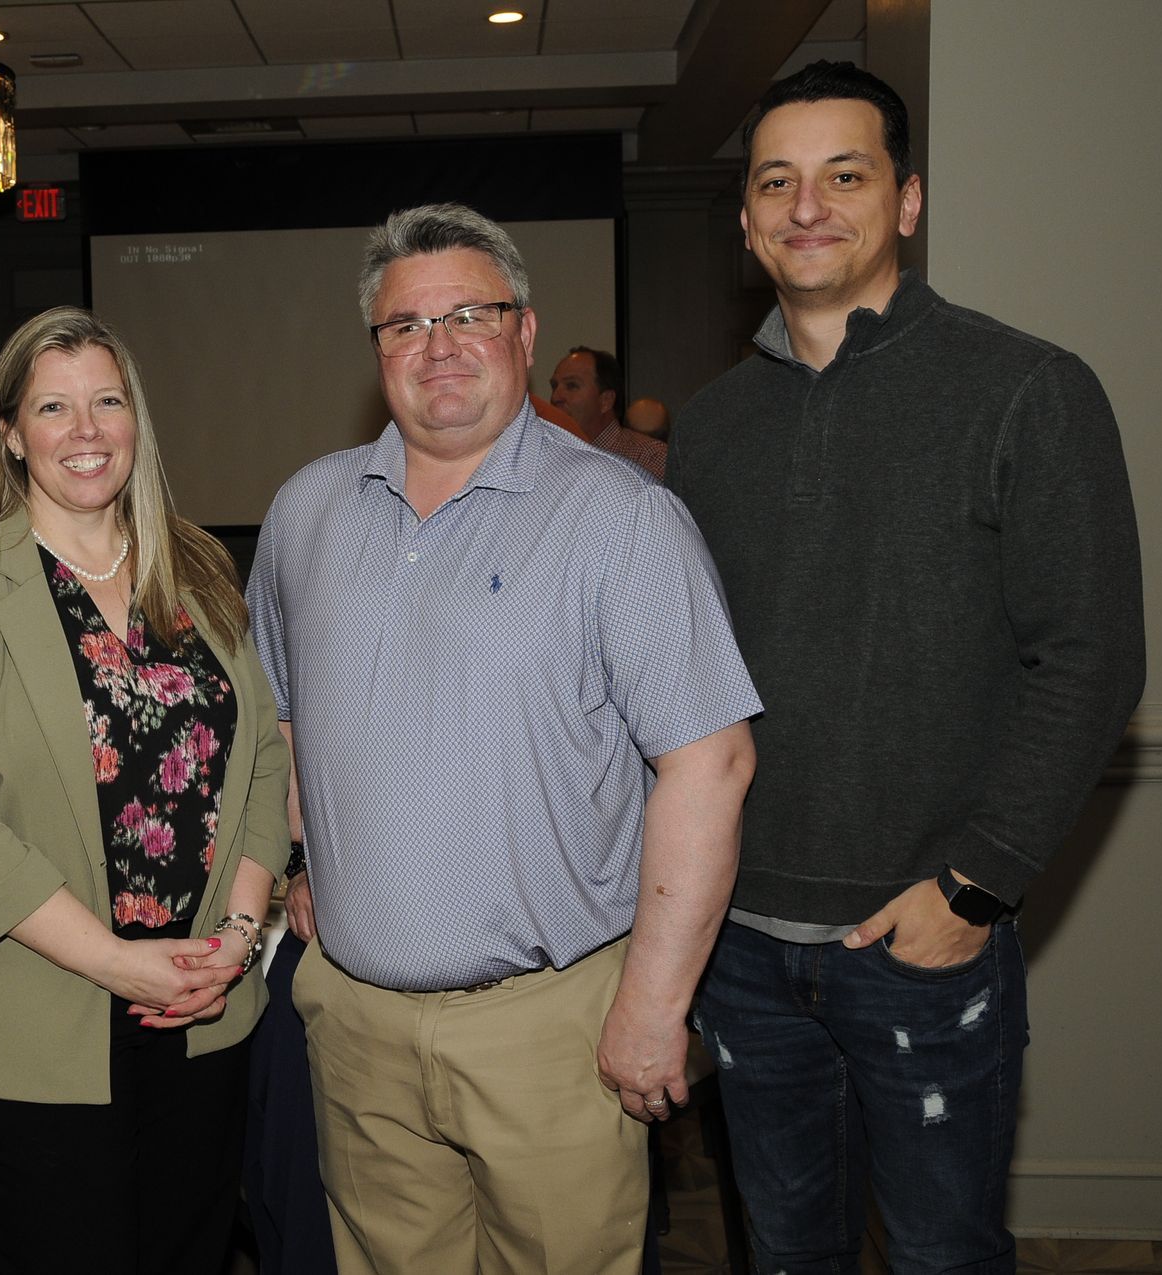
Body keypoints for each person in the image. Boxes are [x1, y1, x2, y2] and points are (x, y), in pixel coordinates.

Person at [667, 61, 1145, 1274]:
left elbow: (1091, 657)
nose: (807, 205)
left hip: (919, 946)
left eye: (846, 174)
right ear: (745, 221)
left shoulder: (1027, 389)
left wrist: (976, 888)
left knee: (944, 1258)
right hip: (742, 952)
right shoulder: (712, 428)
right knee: (783, 1255)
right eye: (777, 180)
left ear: (909, 200)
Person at [246, 203, 762, 1275]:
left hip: (552, 1029)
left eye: (468, 316)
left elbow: (710, 765)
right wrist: (303, 856)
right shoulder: (306, 514)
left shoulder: (620, 519)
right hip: (355, 1027)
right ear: (377, 350)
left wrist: (654, 1010)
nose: (436, 348)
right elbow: (282, 719)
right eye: (404, 326)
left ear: (525, 333)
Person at [0, 306, 290, 1274]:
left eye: (106, 402)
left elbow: (264, 763)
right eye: (54, 407)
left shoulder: (195, 571)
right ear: (12, 436)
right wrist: (117, 963)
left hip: (201, 1007)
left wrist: (234, 944)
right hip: (39, 1015)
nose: (86, 430)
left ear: (135, 421)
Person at [550, 346, 667, 478]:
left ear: (606, 400)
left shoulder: (650, 457)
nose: (555, 397)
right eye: (554, 386)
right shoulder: (550, 458)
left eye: (572, 385)